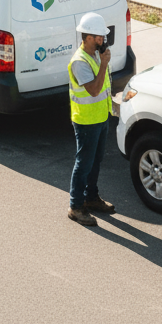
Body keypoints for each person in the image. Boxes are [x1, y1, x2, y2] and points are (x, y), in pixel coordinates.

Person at [67, 12, 117, 226]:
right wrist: (104, 63)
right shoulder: (80, 62)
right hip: (86, 120)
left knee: (95, 161)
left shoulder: (96, 54)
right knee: (84, 163)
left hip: (101, 116)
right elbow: (94, 90)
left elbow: (104, 87)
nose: (102, 40)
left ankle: (91, 198)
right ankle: (76, 206)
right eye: (98, 37)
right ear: (87, 37)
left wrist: (113, 106)